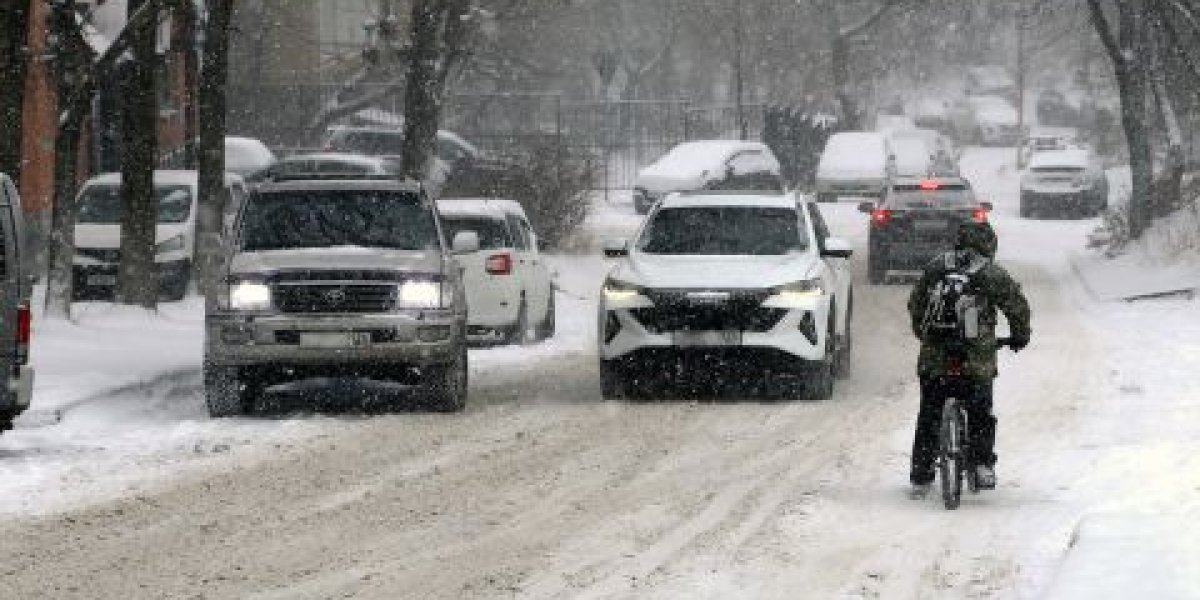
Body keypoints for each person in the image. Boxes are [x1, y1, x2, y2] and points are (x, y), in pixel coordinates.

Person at [906, 220, 1031, 496]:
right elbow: (1016, 306)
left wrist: (924, 335)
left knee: (929, 411)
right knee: (980, 410)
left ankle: (921, 472)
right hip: (976, 357)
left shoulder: (937, 267)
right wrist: (1019, 336)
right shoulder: (991, 273)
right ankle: (982, 464)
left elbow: (916, 304)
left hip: (935, 356)